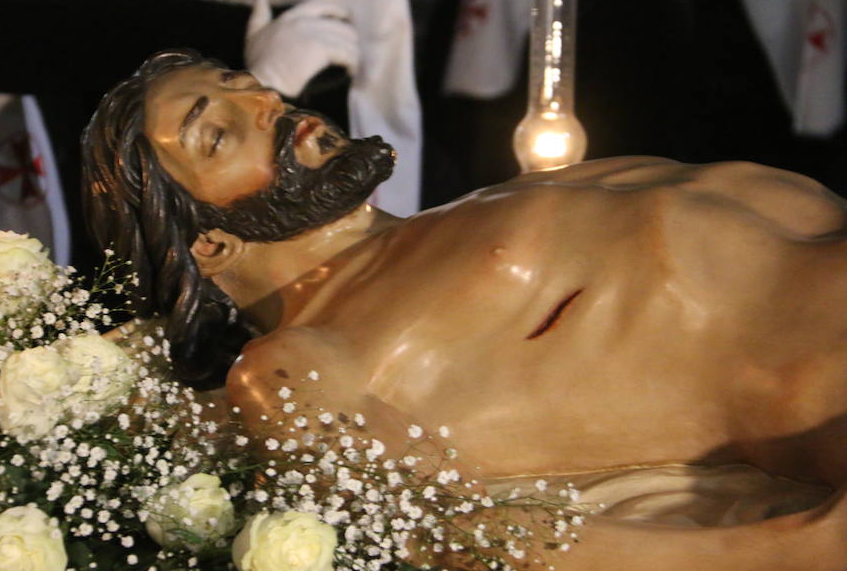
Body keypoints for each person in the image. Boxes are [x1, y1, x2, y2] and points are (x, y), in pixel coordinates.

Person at [82, 50, 847, 570]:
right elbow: (463, 536)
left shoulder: (477, 205)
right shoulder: (301, 364)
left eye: (244, 82)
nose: (265, 102)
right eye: (216, 133)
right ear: (208, 247)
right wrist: (801, 550)